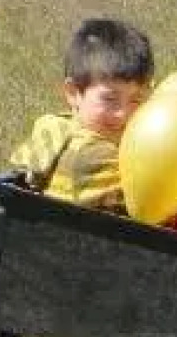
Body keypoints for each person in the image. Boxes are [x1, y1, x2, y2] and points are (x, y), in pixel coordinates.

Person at [8, 18, 154, 213]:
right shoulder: (89, 155)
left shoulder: (61, 129)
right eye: (110, 99)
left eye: (136, 100)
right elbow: (145, 205)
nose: (123, 114)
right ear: (73, 93)